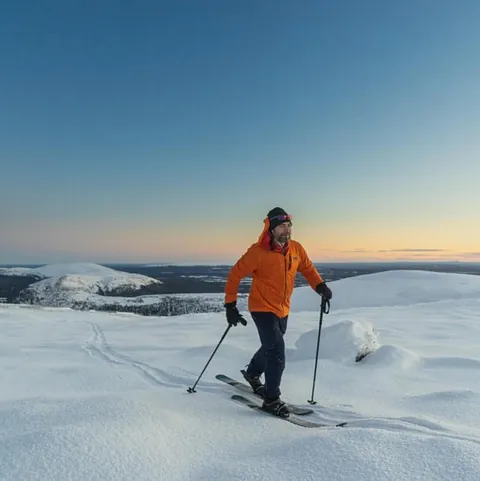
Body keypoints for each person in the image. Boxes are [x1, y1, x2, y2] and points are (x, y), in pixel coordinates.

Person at [223, 207, 332, 417]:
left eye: (289, 225)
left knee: (271, 345)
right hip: (261, 307)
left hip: (283, 308)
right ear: (271, 229)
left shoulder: (296, 249)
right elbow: (234, 275)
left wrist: (320, 286)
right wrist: (231, 306)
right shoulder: (257, 252)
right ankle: (272, 400)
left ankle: (253, 373)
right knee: (277, 353)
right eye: (282, 226)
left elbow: (307, 268)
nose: (287, 230)